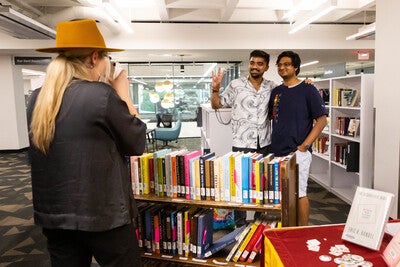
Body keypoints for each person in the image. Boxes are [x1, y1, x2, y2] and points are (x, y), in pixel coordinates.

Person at [26, 19, 146, 266]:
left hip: (54, 215)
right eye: (106, 59)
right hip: (102, 214)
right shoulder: (100, 95)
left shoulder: (38, 97)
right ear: (94, 58)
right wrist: (123, 93)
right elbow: (137, 143)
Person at [268, 51, 328, 226]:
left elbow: (322, 121)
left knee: (300, 193)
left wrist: (304, 146)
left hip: (297, 152)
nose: (282, 67)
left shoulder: (308, 89)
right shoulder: (277, 91)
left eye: (286, 64)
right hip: (276, 152)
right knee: (279, 193)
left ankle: (302, 231)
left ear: (296, 67)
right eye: (279, 64)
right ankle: (285, 227)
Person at [210, 50, 277, 156]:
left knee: (264, 173)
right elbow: (216, 105)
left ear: (266, 67)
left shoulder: (271, 86)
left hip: (265, 144)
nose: (255, 66)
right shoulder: (236, 85)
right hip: (242, 143)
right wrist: (215, 90)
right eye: (252, 63)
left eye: (260, 64)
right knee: (242, 172)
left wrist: (305, 83)